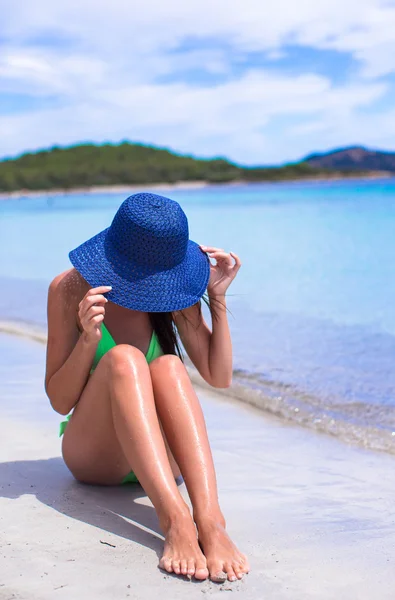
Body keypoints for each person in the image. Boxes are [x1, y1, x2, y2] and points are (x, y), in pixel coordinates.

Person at [45, 192, 249, 582]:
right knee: (125, 360)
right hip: (95, 458)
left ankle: (210, 520)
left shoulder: (171, 291)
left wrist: (217, 299)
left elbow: (218, 377)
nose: (148, 287)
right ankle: (175, 519)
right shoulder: (69, 289)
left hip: (164, 464)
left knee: (170, 366)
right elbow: (59, 401)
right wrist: (89, 339)